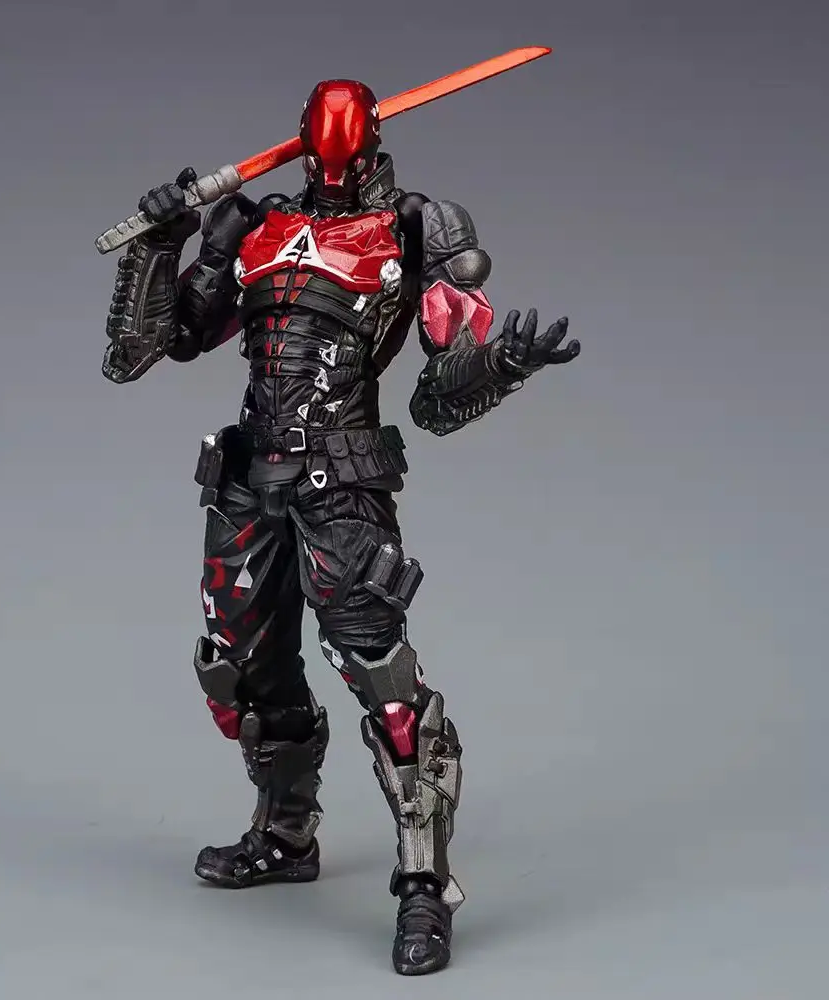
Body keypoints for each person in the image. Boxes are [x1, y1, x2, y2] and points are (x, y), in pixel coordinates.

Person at [102, 78, 580, 976]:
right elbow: (140, 352)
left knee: (384, 680)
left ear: (370, 149)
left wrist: (504, 363)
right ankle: (286, 834)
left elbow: (436, 401)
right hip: (248, 480)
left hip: (343, 487)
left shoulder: (416, 227)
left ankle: (424, 886)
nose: (331, 174)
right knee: (240, 672)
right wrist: (160, 243)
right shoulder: (253, 224)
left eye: (345, 158)